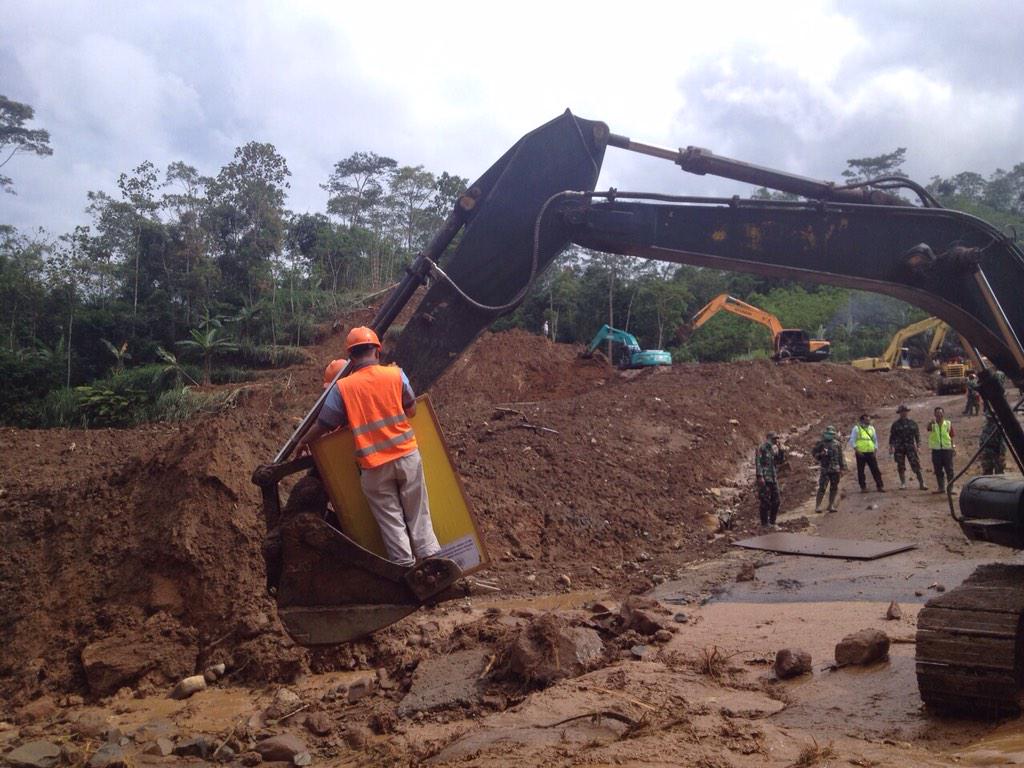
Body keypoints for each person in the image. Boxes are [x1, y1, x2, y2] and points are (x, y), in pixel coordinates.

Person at [296, 326, 441, 567]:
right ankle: (431, 561)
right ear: (377, 350)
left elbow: (324, 424)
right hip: (406, 455)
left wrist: (303, 440)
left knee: (391, 521)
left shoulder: (343, 388)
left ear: (351, 358)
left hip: (374, 466)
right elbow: (412, 410)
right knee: (418, 512)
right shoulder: (396, 374)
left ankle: (404, 567)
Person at [889, 405, 927, 490]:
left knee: (916, 464)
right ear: (899, 413)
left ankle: (922, 483)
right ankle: (903, 483)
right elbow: (892, 436)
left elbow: (917, 436)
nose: (903, 413)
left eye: (905, 411)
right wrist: (891, 447)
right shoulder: (895, 424)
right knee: (900, 465)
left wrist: (918, 446)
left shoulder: (912, 423)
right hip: (899, 448)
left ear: (907, 412)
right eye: (902, 411)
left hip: (910, 447)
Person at [754, 431, 785, 529]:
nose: (777, 440)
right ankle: (765, 523)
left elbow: (779, 461)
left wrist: (781, 451)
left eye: (777, 438)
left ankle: (772, 521)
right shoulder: (762, 448)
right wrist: (760, 476)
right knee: (765, 501)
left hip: (773, 478)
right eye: (775, 439)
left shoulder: (772, 449)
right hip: (765, 478)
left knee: (776, 500)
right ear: (770, 438)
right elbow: (758, 462)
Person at [812, 425, 845, 513]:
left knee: (834, 488)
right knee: (822, 488)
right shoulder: (821, 444)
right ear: (825, 433)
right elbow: (814, 454)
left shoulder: (837, 444)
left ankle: (831, 505)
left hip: (835, 469)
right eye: (828, 433)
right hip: (825, 469)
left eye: (831, 433)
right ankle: (818, 506)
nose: (829, 435)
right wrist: (821, 454)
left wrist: (842, 468)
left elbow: (841, 457)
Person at [849, 414, 885, 493]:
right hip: (861, 453)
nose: (868, 421)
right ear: (862, 420)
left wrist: (875, 450)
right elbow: (852, 440)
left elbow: (875, 440)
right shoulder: (856, 428)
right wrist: (857, 451)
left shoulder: (871, 428)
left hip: (871, 452)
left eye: (869, 420)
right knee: (861, 471)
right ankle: (863, 487)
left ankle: (880, 486)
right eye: (866, 420)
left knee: (875, 470)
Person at [927, 406, 956, 494]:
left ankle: (950, 488)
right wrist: (930, 423)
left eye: (940, 413)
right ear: (934, 414)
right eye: (937, 413)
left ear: (943, 414)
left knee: (949, 470)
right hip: (936, 450)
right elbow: (928, 428)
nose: (939, 415)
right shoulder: (932, 424)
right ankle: (941, 487)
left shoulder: (948, 424)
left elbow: (951, 436)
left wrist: (953, 447)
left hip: (947, 450)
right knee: (938, 470)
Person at [979, 410, 1007, 475]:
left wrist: (1002, 454)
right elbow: (982, 439)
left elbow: (1002, 442)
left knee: (999, 473)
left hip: (996, 452)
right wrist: (981, 451)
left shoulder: (998, 428)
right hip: (987, 451)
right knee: (987, 471)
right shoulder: (985, 427)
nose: (988, 419)